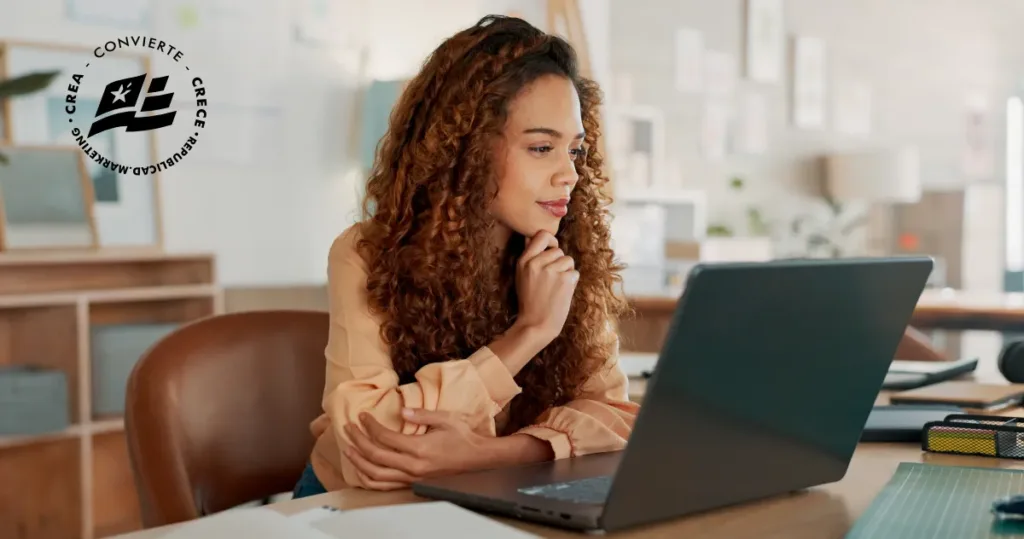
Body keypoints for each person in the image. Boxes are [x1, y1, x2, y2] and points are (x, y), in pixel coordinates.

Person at [292, 14, 639, 497]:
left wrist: (489, 455)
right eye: (541, 147)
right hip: (356, 504)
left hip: (492, 488)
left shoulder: (569, 254)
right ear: (466, 150)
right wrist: (529, 333)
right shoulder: (367, 252)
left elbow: (616, 419)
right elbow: (371, 443)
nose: (570, 174)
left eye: (575, 151)